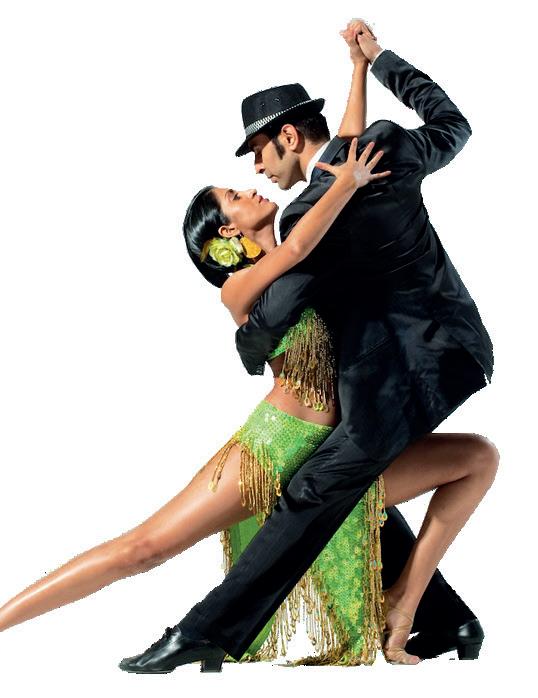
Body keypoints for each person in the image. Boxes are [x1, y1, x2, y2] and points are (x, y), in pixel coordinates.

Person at [118, 23, 497, 673]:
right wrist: (372, 63)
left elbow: (277, 306)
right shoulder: (385, 148)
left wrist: (247, 339)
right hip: (457, 345)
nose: (257, 171)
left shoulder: (307, 219)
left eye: (257, 154)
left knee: (310, 490)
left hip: (404, 374)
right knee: (345, 486)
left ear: (288, 137)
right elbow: (450, 124)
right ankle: (445, 619)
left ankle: (208, 631)